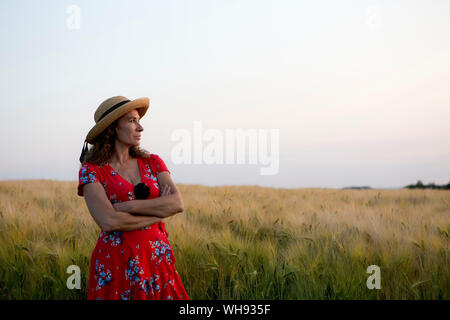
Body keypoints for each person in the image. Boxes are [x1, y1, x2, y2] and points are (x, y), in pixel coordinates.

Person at [77, 96, 189, 300]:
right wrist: (156, 215)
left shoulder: (153, 162)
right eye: (132, 121)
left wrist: (128, 205)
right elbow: (109, 221)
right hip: (116, 264)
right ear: (112, 128)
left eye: (138, 120)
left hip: (156, 259)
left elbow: (177, 203)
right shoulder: (91, 171)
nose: (140, 128)